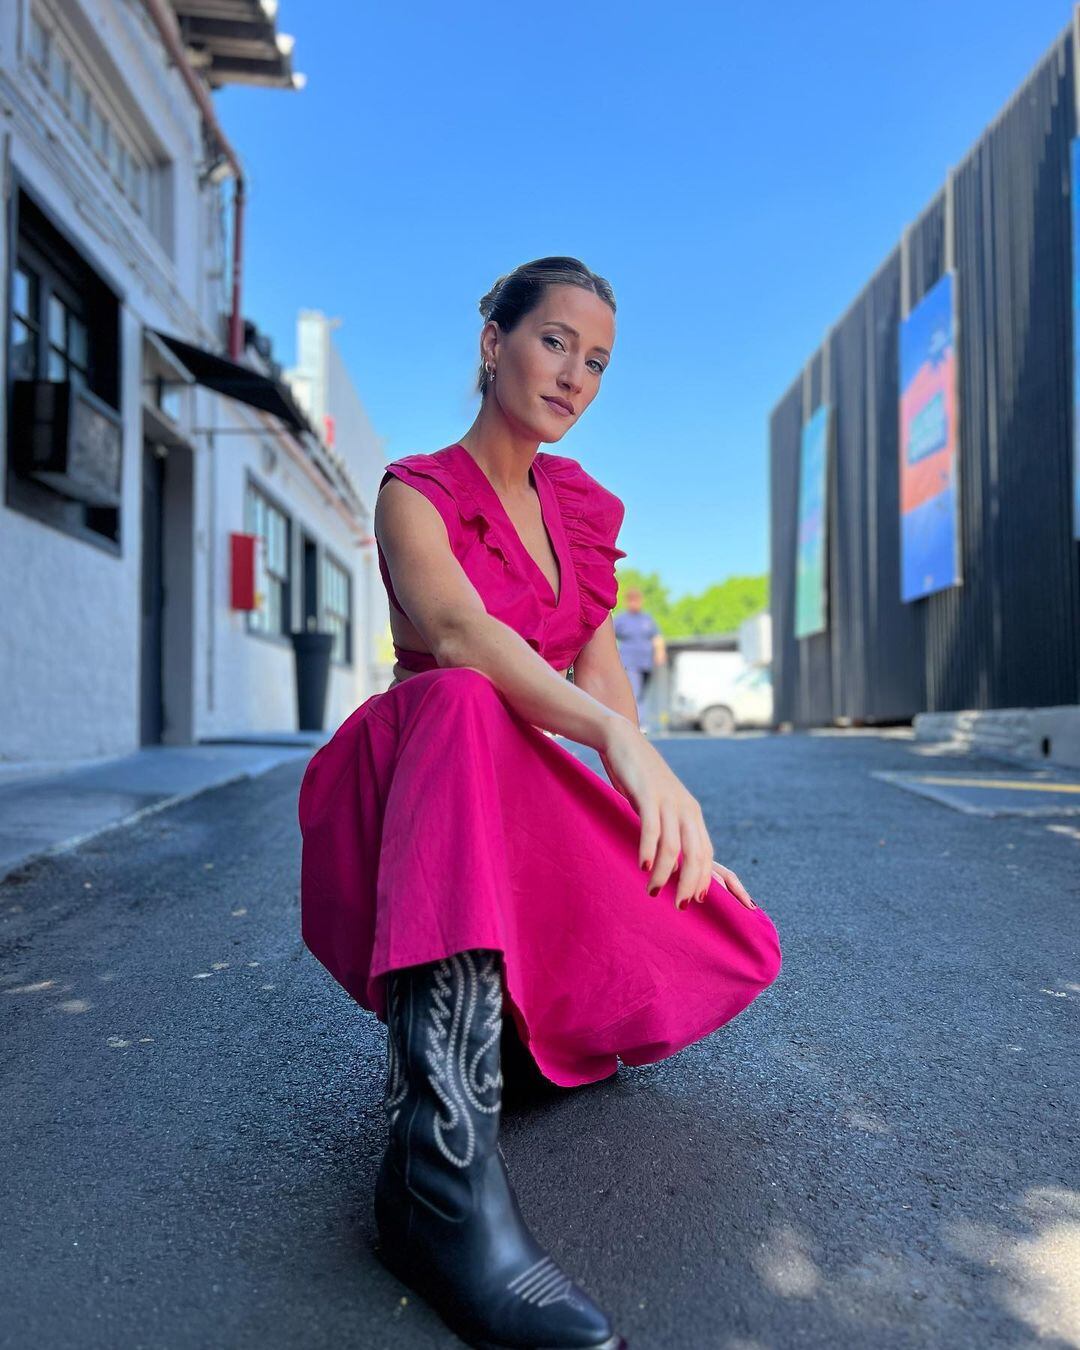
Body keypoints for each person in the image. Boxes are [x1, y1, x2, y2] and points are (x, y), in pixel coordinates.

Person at [298, 257, 782, 1350]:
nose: (576, 375)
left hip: (525, 811)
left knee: (729, 930)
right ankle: (438, 1182)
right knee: (467, 699)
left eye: (598, 360)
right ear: (492, 341)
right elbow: (463, 636)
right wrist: (610, 734)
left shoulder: (580, 511)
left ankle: (513, 1022)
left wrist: (668, 813)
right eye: (556, 340)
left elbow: (605, 686)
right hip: (412, 799)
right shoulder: (413, 489)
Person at [613, 587, 666, 733]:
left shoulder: (647, 619)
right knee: (634, 691)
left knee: (642, 692)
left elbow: (657, 637)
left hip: (646, 662)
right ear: (628, 602)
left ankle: (641, 722)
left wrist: (660, 653)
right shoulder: (621, 619)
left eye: (637, 600)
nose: (635, 603)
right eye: (632, 600)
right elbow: (609, 636)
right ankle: (636, 723)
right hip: (630, 661)